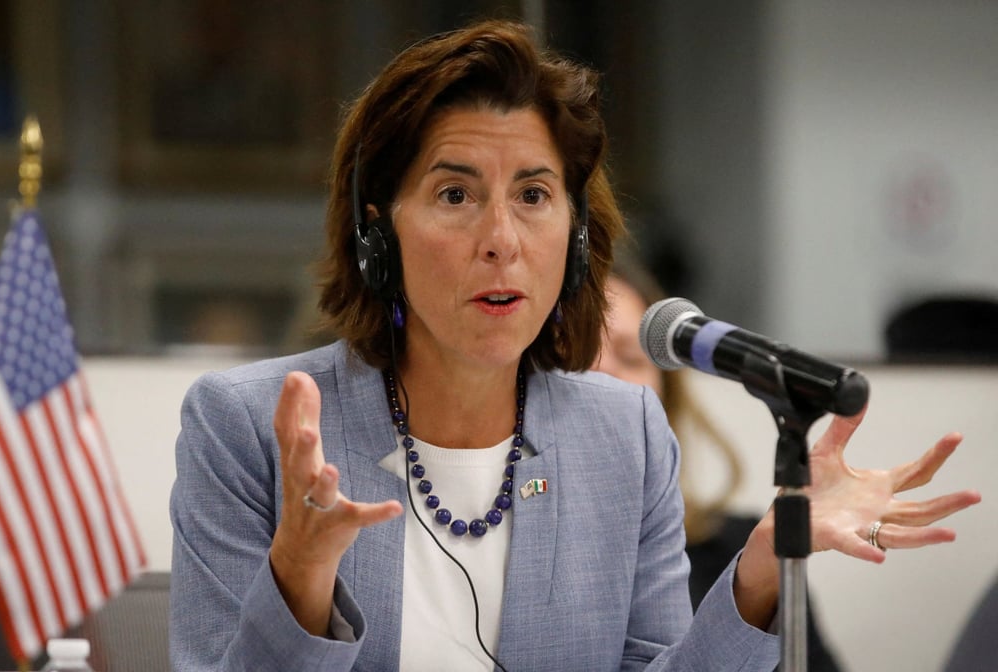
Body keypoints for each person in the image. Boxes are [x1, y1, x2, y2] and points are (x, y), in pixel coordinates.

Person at [168, 19, 981, 671]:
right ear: (378, 235)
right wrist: (301, 580)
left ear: (574, 232)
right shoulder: (244, 427)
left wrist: (762, 568)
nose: (501, 238)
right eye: (455, 193)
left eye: (533, 195)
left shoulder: (622, 435)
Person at [592, 247, 842, 671]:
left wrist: (760, 581)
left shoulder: (747, 550)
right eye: (577, 357)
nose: (607, 377)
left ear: (666, 399)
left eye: (631, 358)